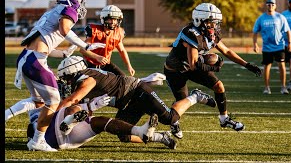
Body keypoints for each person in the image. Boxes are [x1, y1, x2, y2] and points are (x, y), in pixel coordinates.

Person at [13, 0, 106, 151]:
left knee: (38, 101)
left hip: (27, 57)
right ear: (73, 0)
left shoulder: (50, 13)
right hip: (36, 60)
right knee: (54, 101)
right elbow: (65, 30)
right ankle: (37, 141)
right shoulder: (68, 9)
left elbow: (45, 45)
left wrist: (64, 54)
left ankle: (7, 115)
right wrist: (85, 45)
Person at [56, 56, 216, 149]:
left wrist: (55, 112)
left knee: (170, 118)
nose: (66, 83)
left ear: (74, 72)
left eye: (66, 78)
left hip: (138, 92)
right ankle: (160, 137)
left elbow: (74, 99)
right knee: (124, 135)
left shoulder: (87, 80)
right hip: (127, 103)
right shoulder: (85, 78)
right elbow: (85, 111)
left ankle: (195, 96)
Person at [163, 2, 262, 139]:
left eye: (215, 22)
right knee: (182, 101)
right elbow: (193, 65)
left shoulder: (211, 33)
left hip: (192, 65)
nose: (214, 26)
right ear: (200, 20)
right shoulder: (191, 33)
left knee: (218, 86)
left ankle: (224, 119)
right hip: (176, 69)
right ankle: (175, 122)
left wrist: (246, 64)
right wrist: (214, 67)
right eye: (211, 22)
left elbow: (226, 51)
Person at [25, 98, 161, 150]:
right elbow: (33, 128)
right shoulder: (37, 102)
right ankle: (68, 124)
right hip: (49, 136)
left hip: (70, 139)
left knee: (99, 121)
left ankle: (140, 131)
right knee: (72, 107)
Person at [79, 5, 135, 76]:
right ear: (103, 19)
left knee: (123, 78)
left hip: (105, 64)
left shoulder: (118, 33)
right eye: (110, 19)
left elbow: (122, 50)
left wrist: (129, 66)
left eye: (115, 19)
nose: (113, 22)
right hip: (89, 64)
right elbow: (82, 50)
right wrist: (97, 57)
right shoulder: (94, 31)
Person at [253, 0, 291, 95]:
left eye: (272, 4)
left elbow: (288, 30)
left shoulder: (280, 17)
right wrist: (255, 44)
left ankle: (283, 87)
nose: (270, 6)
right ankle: (267, 88)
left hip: (279, 46)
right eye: (268, 4)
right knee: (267, 67)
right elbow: (255, 32)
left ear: (275, 6)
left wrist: (290, 43)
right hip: (267, 47)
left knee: (282, 66)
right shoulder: (261, 18)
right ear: (266, 6)